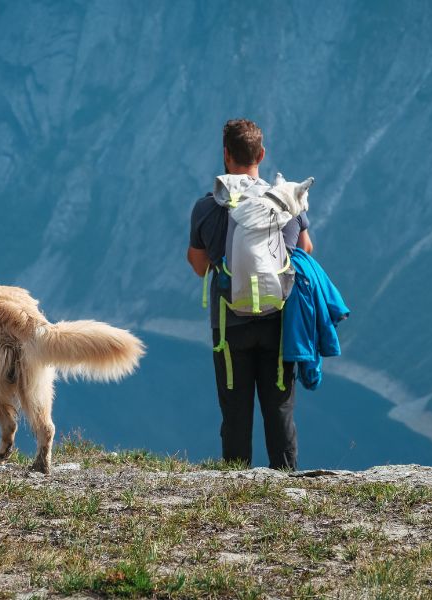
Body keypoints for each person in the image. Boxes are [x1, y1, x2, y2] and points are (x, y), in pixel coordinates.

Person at [187, 118, 312, 470]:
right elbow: (306, 249)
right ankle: (287, 486)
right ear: (262, 154)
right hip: (279, 323)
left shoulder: (208, 207)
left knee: (236, 412)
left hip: (230, 327)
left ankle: (236, 489)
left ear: (226, 155)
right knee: (280, 410)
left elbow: (198, 266)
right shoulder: (285, 203)